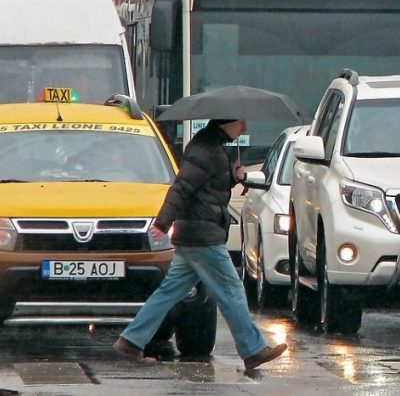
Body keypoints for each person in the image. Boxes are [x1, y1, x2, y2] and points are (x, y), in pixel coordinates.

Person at [113, 119, 288, 370]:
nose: (245, 128)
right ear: (227, 122)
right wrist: (162, 222)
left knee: (169, 293)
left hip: (195, 234)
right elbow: (181, 188)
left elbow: (207, 188)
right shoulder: (206, 151)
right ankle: (253, 350)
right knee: (231, 290)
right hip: (202, 236)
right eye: (241, 123)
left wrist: (233, 177)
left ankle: (131, 341)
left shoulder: (211, 148)